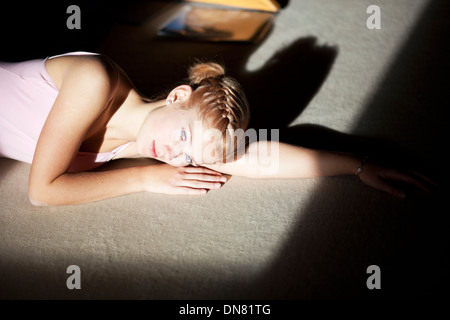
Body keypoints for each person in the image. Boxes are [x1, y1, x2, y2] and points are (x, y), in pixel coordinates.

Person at [0, 52, 433, 206]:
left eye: (190, 155)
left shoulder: (149, 136)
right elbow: (43, 191)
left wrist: (357, 166)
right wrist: (143, 177)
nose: (174, 155)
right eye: (184, 137)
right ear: (176, 95)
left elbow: (257, 156)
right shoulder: (94, 81)